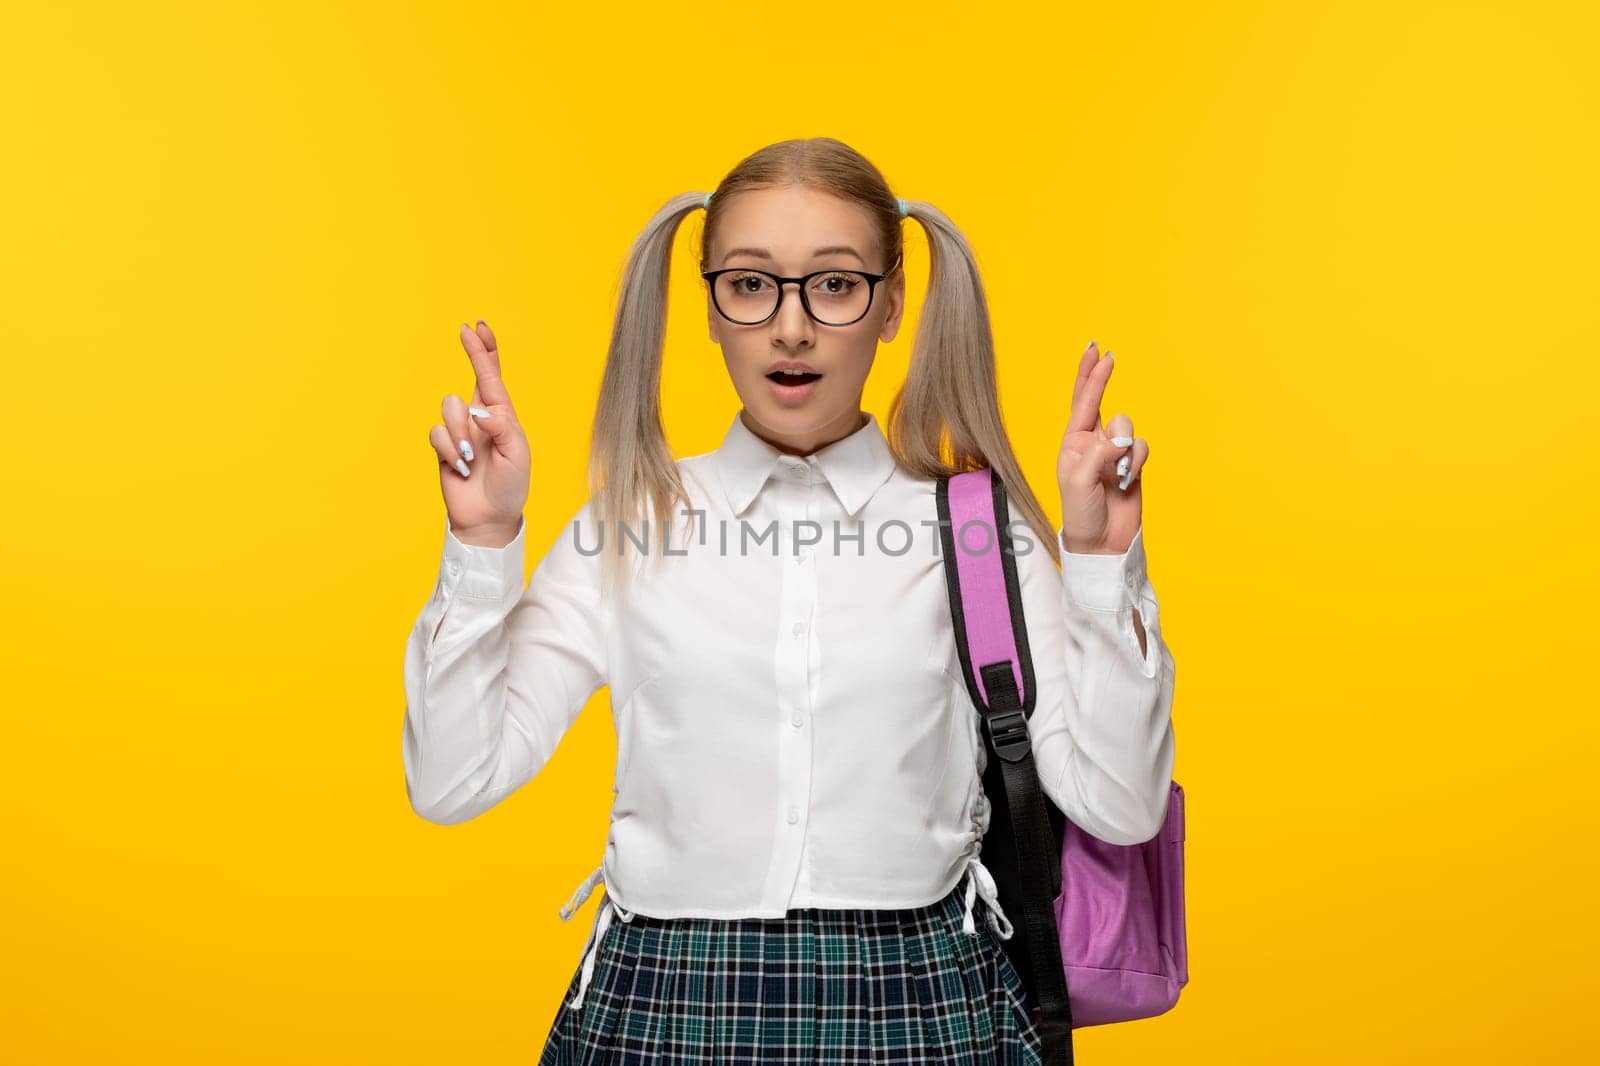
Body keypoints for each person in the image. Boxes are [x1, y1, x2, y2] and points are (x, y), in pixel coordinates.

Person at [402, 136, 1176, 1064]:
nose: (792, 328)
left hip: (921, 1004)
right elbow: (452, 782)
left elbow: (1121, 808)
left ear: (891, 306)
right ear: (711, 307)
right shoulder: (627, 524)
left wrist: (1098, 561)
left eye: (836, 285)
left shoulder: (976, 529)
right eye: (752, 284)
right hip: (664, 1005)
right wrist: (483, 546)